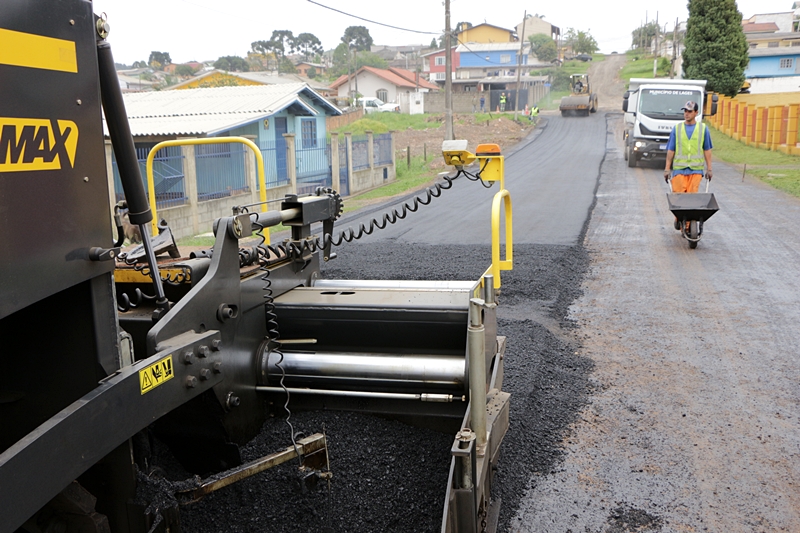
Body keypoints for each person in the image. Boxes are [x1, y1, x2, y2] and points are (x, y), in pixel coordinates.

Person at [664, 100, 713, 230]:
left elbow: (707, 150)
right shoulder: (677, 128)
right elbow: (671, 150)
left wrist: (709, 168)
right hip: (679, 169)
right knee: (679, 197)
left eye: (690, 111)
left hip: (696, 170)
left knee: (691, 199)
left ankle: (687, 226)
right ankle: (679, 218)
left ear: (696, 113)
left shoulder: (703, 129)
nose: (686, 113)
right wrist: (667, 168)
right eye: (685, 111)